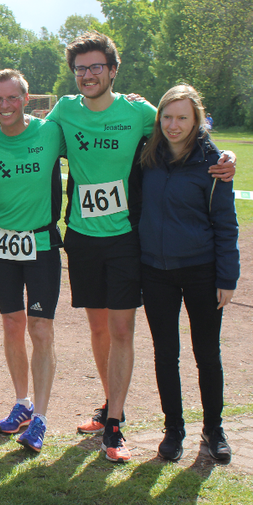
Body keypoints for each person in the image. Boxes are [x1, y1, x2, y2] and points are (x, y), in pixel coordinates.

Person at [43, 32, 235, 462]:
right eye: (81, 68)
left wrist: (225, 157)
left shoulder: (137, 111)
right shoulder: (65, 110)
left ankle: (113, 427)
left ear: (113, 70)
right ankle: (115, 408)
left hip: (127, 239)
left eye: (96, 67)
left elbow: (187, 127)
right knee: (97, 329)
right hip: (82, 237)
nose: (88, 75)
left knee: (123, 330)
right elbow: (32, 135)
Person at [138, 84, 238, 463]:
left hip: (202, 272)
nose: (173, 125)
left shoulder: (214, 163)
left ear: (197, 119)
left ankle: (214, 429)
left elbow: (226, 225)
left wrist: (227, 279)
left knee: (207, 354)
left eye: (182, 117)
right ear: (158, 118)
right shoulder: (146, 156)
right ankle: (173, 429)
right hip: (155, 271)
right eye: (167, 116)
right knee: (166, 354)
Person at [0, 69, 65, 451]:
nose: (5, 105)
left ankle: (40, 417)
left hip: (41, 245)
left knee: (40, 330)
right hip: (1, 246)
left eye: (13, 98)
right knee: (12, 324)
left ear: (26, 99)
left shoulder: (50, 132)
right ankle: (22, 404)